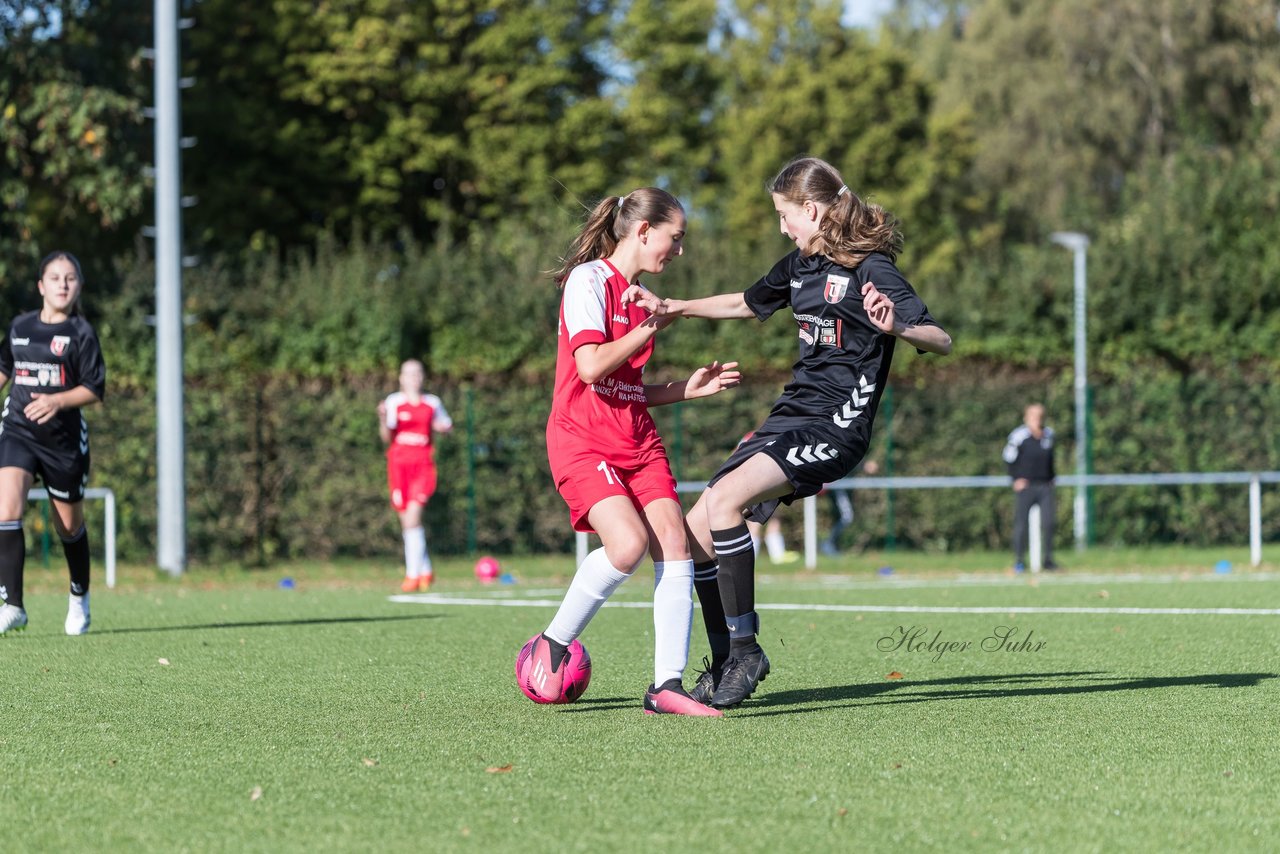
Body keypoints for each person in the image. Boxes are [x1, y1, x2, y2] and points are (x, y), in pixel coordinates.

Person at [626, 156, 952, 708]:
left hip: (837, 425)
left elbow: (940, 338)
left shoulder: (870, 268)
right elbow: (744, 302)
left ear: (811, 208)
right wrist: (675, 307)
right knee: (695, 528)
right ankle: (728, 658)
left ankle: (747, 649)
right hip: (791, 415)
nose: (782, 227)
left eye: (784, 215)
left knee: (725, 502)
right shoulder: (799, 266)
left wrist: (898, 325)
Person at [520, 187, 741, 717]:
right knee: (626, 547)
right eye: (676, 238)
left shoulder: (639, 293)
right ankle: (553, 642)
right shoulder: (588, 280)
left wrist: (683, 390)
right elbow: (592, 367)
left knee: (675, 543)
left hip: (637, 438)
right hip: (581, 436)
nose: (679, 250)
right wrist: (654, 322)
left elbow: (625, 388)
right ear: (644, 232)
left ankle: (667, 685)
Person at [0, 251, 107, 636]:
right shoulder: (20, 326)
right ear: (41, 285)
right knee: (6, 507)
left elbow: (95, 389)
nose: (63, 284)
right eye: (55, 277)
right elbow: (5, 368)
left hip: (63, 443)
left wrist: (58, 401)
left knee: (69, 528)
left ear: (78, 287)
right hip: (18, 432)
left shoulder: (82, 333)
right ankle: (13, 604)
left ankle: (79, 596)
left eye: (71, 278)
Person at [377, 359, 452, 592]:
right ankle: (425, 570)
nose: (413, 378)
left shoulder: (432, 403)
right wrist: (381, 418)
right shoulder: (394, 402)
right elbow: (386, 437)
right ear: (401, 377)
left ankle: (411, 576)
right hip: (398, 467)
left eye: (417, 373)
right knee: (407, 522)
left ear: (423, 377)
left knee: (412, 518)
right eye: (409, 374)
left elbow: (447, 426)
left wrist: (444, 428)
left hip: (423, 467)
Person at [1002, 403, 1059, 572]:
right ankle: (1019, 561)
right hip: (1026, 487)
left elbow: (1050, 459)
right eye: (1033, 416)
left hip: (1045, 486)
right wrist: (1015, 478)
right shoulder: (1019, 436)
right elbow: (1008, 459)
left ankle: (1048, 560)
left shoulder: (1048, 435)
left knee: (1049, 523)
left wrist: (1052, 477)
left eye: (1040, 415)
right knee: (1021, 524)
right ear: (1026, 417)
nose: (1037, 419)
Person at [821, 459, 879, 556]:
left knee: (841, 517)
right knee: (847, 517)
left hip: (841, 486)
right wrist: (864, 465)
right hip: (837, 486)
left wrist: (864, 465)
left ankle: (833, 545)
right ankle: (828, 544)